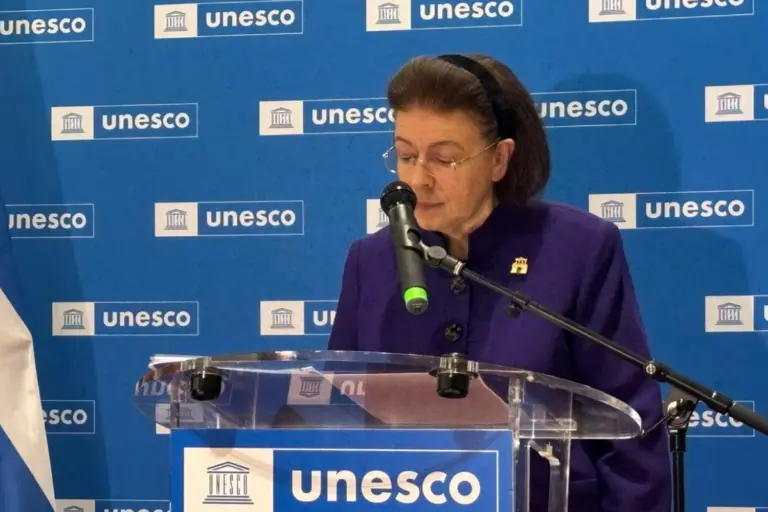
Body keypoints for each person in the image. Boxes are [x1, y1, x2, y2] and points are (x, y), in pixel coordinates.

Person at [327, 53, 671, 512]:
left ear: (499, 158)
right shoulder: (369, 262)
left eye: (444, 159)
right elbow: (336, 421)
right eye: (405, 155)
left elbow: (630, 430)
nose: (417, 179)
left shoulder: (579, 249)